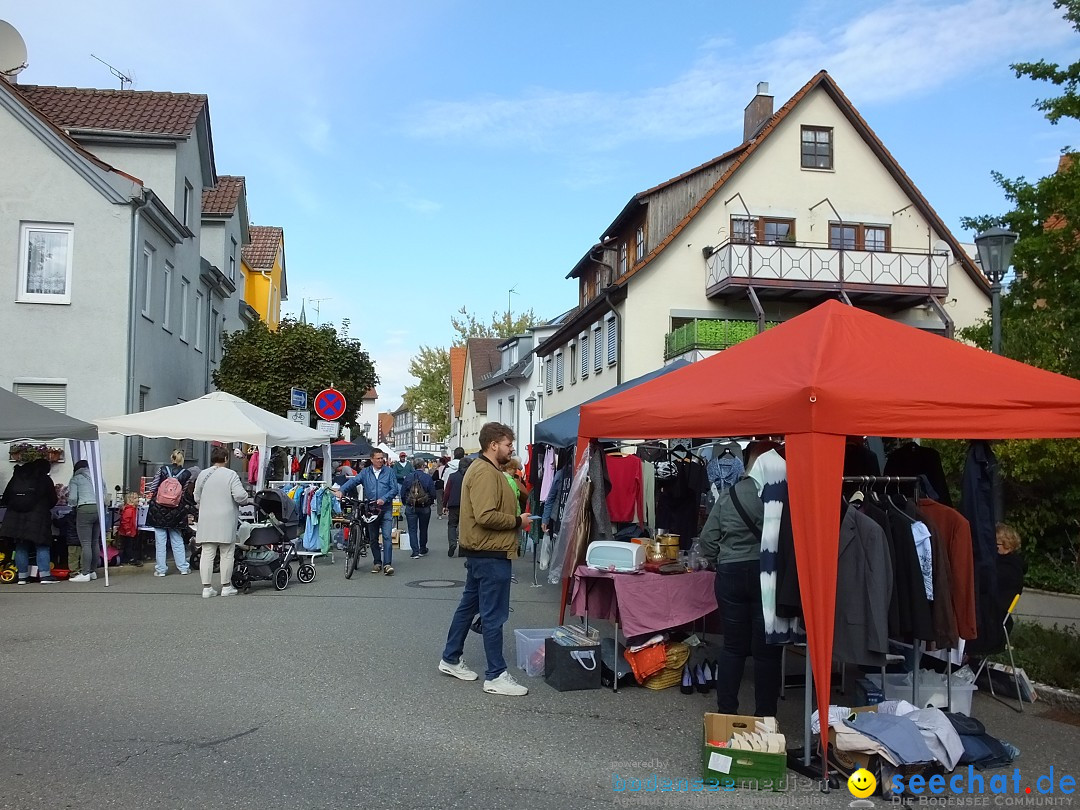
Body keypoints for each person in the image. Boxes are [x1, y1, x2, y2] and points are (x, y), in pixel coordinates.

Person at [438, 422, 533, 697]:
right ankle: (496, 675)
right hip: (490, 553)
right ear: (493, 445)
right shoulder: (484, 472)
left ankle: (451, 658)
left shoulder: (489, 470)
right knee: (493, 615)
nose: (510, 448)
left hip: (485, 551)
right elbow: (485, 515)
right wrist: (518, 520)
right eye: (507, 444)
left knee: (469, 608)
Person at [698, 448, 782, 717]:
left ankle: (726, 713)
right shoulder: (777, 497)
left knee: (733, 647)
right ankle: (766, 717)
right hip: (766, 576)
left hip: (731, 574)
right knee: (766, 652)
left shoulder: (727, 495)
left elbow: (707, 540)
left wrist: (719, 558)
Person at [194, 445, 251, 598]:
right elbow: (240, 496)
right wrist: (245, 500)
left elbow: (196, 496)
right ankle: (226, 586)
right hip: (225, 519)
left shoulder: (203, 474)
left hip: (206, 518)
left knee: (207, 553)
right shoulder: (231, 475)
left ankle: (207, 588)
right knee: (227, 553)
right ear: (226, 459)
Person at [339, 448, 398, 575]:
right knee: (373, 538)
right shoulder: (365, 472)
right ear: (372, 459)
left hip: (385, 508)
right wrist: (341, 490)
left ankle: (387, 564)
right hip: (370, 509)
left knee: (387, 536)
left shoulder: (389, 472)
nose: (381, 460)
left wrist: (384, 498)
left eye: (382, 458)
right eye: (378, 458)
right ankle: (377, 562)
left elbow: (394, 489)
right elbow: (353, 481)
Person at [1, 458, 59, 584]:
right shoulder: (44, 479)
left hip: (15, 517)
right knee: (42, 545)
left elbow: (5, 497)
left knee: (21, 546)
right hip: (38, 517)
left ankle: (22, 576)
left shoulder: (17, 478)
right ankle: (44, 575)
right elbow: (53, 499)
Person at [145, 449, 193, 577]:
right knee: (177, 539)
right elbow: (182, 493)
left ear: (171, 458)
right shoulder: (187, 474)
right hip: (176, 509)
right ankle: (183, 567)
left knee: (160, 540)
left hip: (159, 508)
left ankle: (161, 570)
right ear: (182, 459)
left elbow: (153, 486)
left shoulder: (163, 469)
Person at [67, 459, 101, 582]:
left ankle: (85, 573)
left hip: (85, 508)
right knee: (95, 542)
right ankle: (93, 571)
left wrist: (71, 503)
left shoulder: (76, 479)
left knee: (85, 543)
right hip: (99, 509)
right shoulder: (98, 477)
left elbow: (73, 498)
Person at [400, 458, 437, 559]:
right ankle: (423, 548)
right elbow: (433, 492)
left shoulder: (408, 477)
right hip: (424, 506)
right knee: (423, 528)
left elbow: (403, 492)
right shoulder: (427, 477)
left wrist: (405, 502)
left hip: (411, 506)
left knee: (412, 529)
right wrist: (431, 501)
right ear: (422, 466)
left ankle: (415, 551)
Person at [995, 523, 1027, 632]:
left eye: (996, 544)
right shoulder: (1011, 564)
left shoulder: (1010, 569)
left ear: (1007, 544)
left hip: (995, 618)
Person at [442, 457, 471, 557]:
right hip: (467, 505)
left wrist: (444, 504)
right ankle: (463, 549)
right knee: (464, 527)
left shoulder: (452, 476)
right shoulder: (471, 476)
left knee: (452, 525)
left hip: (453, 504)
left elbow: (447, 492)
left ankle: (452, 543)